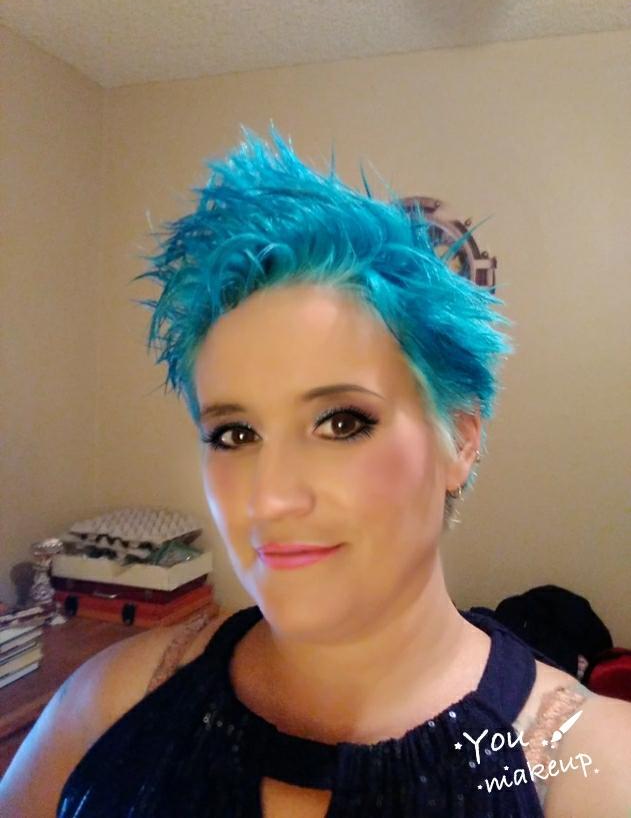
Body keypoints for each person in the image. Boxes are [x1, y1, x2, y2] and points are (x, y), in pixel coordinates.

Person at [1, 127, 629, 817]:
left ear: (460, 441)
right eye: (235, 434)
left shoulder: (593, 771)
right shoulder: (108, 706)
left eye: (341, 423)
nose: (270, 497)